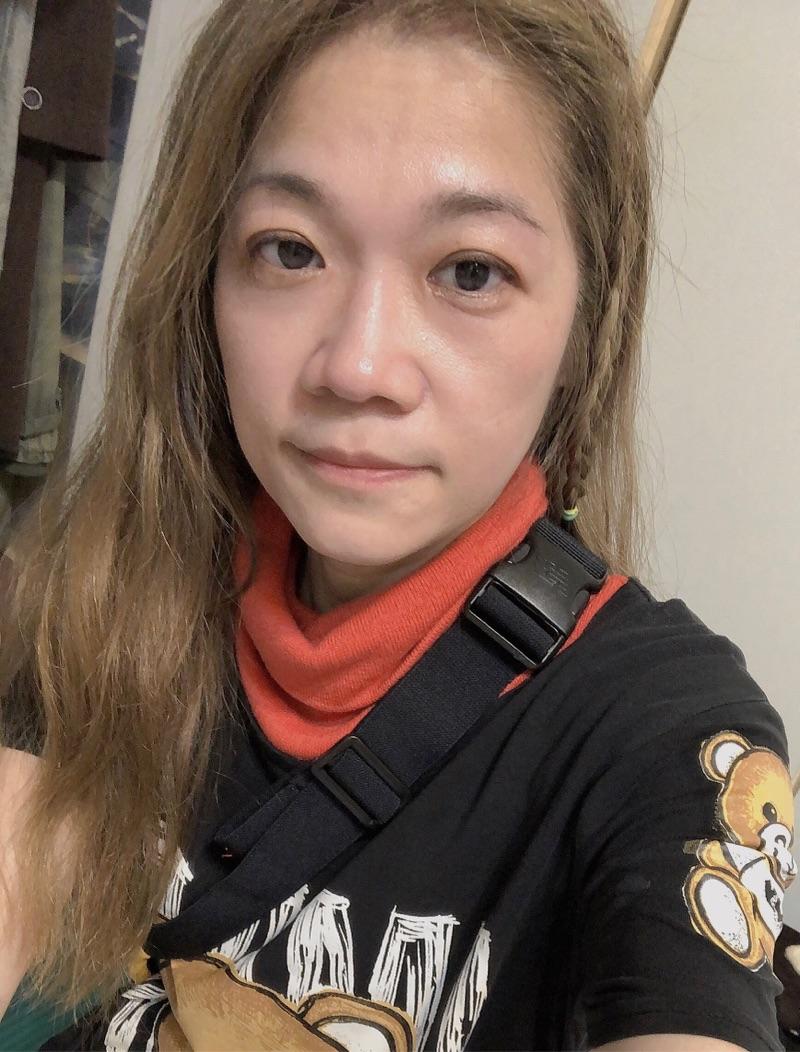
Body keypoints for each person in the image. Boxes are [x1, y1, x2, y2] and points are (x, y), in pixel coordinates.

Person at [0, 0, 795, 1049]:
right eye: (290, 251)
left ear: (582, 324)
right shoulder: (105, 589)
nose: (358, 365)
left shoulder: (661, 730)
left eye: (470, 272)